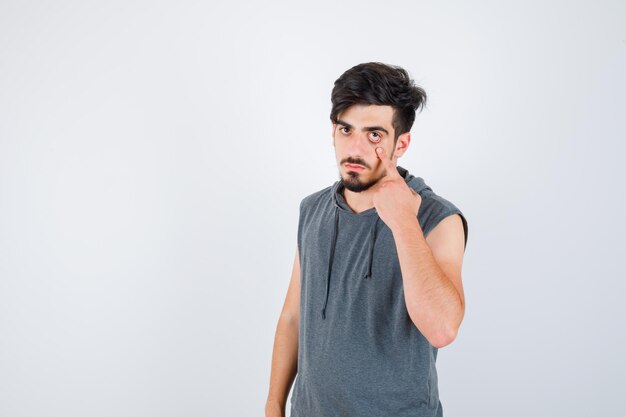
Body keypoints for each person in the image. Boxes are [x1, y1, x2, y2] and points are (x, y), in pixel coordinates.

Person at [265, 62, 469, 417]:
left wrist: (403, 220)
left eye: (374, 135)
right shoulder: (312, 210)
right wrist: (273, 406)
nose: (355, 149)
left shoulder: (438, 218)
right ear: (333, 131)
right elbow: (293, 318)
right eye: (346, 129)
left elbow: (442, 328)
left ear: (400, 144)